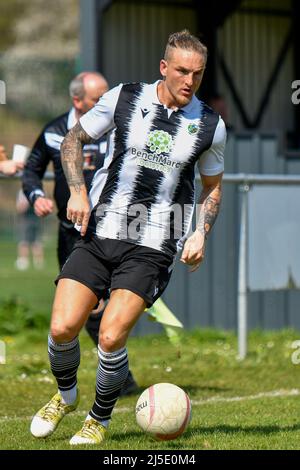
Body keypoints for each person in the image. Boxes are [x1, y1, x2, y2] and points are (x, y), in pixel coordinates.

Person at [30, 30, 226, 445]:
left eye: (198, 73)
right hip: (100, 232)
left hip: (154, 242)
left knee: (110, 335)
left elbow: (212, 186)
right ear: (163, 68)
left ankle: (98, 420)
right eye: (181, 71)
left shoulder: (210, 124)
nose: (189, 80)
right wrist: (79, 191)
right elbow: (73, 140)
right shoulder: (123, 97)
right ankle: (65, 396)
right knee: (63, 327)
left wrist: (200, 234)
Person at [22, 71, 138, 395]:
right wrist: (37, 196)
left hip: (109, 230)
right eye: (96, 98)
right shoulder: (55, 132)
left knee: (111, 304)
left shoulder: (115, 126)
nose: (105, 103)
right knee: (82, 309)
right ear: (77, 100)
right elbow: (32, 171)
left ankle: (117, 373)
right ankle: (111, 378)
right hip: (70, 233)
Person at [15, 189, 44, 271]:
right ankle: (23, 261)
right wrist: (26, 204)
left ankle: (38, 262)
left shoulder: (38, 191)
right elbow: (20, 208)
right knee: (24, 240)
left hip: (36, 219)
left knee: (37, 241)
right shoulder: (21, 192)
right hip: (25, 220)